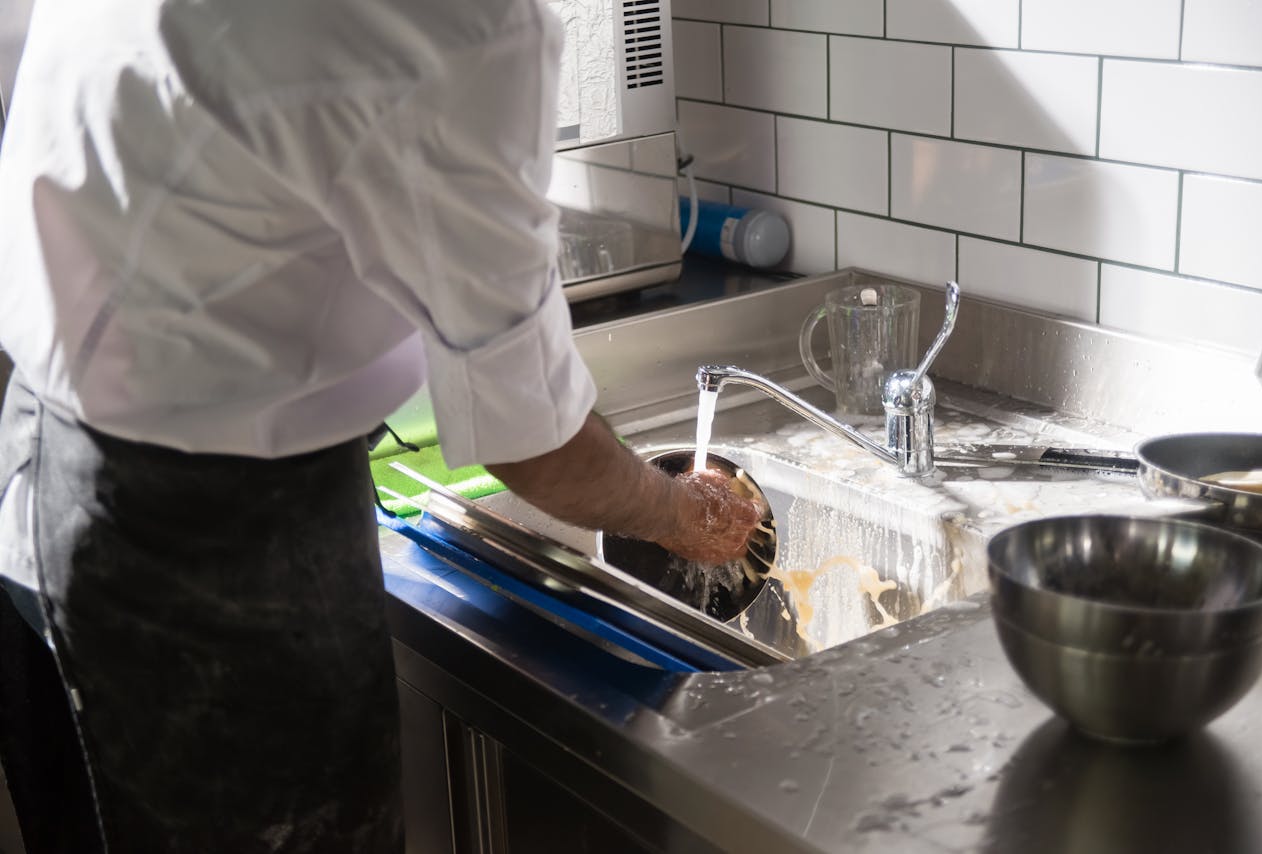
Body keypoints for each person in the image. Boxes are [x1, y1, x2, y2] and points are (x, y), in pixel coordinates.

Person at [0, 0, 761, 851]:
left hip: (45, 459)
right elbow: (533, 443)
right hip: (205, 548)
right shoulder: (463, 26)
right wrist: (671, 509)